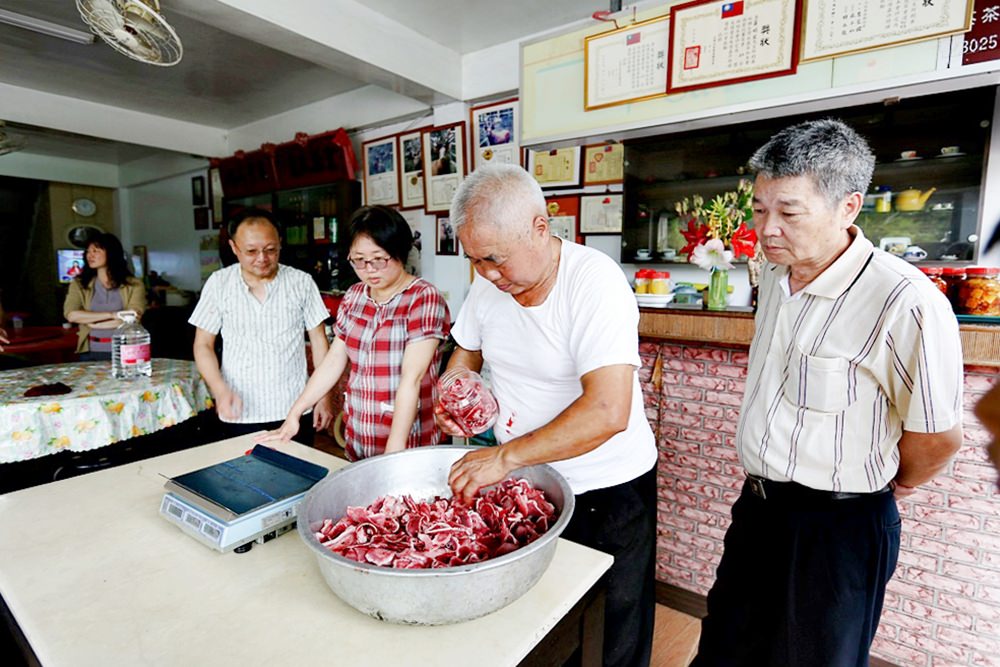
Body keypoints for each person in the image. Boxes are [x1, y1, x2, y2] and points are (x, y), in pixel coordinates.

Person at [691, 119, 963, 666]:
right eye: (761, 208)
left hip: (838, 530)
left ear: (849, 207)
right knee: (724, 651)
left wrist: (889, 489)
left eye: (789, 212)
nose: (767, 228)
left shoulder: (905, 300)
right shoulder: (774, 276)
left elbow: (937, 438)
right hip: (759, 510)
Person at [436, 164, 658, 667]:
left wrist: (504, 457)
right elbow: (465, 349)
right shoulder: (490, 285)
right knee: (545, 620)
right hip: (530, 481)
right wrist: (455, 389)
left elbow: (607, 410)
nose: (487, 274)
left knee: (614, 628)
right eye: (475, 260)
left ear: (540, 228)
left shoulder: (593, 282)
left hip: (607, 488)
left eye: (495, 259)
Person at [261, 205, 450, 460]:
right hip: (361, 430)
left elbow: (412, 379)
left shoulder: (422, 297)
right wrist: (295, 413)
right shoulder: (355, 296)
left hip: (407, 440)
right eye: (359, 260)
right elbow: (334, 360)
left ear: (400, 252)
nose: (369, 269)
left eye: (379, 259)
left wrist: (393, 455)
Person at [189, 208, 334, 442]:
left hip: (295, 409)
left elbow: (319, 343)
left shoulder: (301, 282)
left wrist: (324, 397)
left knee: (298, 476)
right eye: (251, 251)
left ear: (280, 244)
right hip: (239, 412)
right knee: (242, 477)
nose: (262, 259)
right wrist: (219, 389)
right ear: (234, 248)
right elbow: (203, 345)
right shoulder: (219, 284)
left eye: (270, 250)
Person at [63, 232, 146, 361]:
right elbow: (71, 315)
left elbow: (133, 316)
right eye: (88, 251)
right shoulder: (79, 283)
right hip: (91, 350)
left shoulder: (134, 284)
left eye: (96, 251)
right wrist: (113, 315)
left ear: (111, 253)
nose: (90, 255)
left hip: (126, 349)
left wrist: (94, 323)